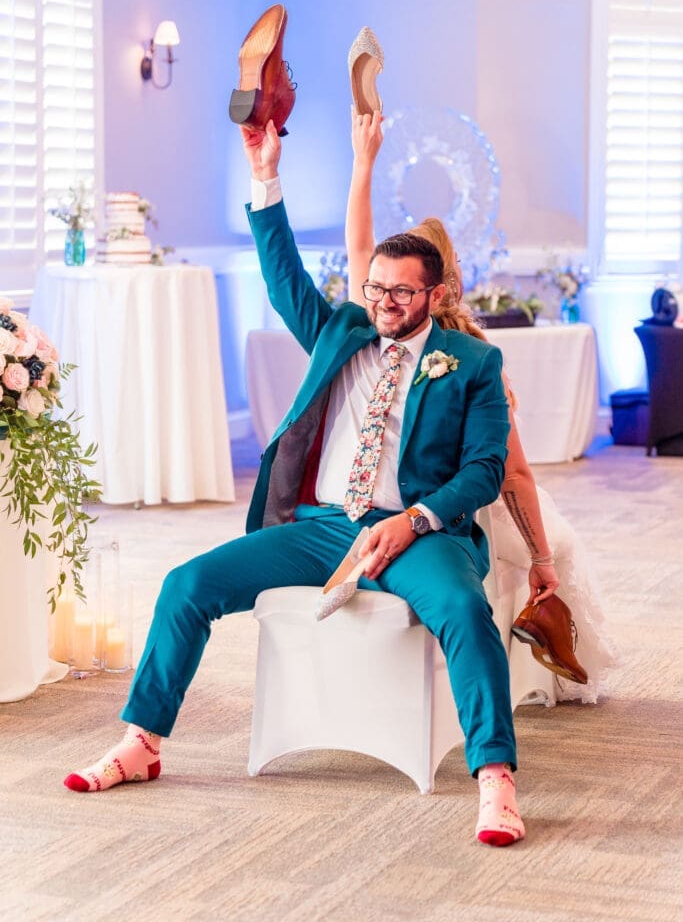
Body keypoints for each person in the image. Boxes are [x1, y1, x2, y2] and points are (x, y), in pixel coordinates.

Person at [64, 118, 525, 848]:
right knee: (186, 584)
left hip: (414, 533)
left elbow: (484, 469)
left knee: (465, 613)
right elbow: (282, 273)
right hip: (318, 527)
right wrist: (264, 172)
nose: (382, 304)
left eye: (401, 295)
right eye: (374, 288)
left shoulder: (471, 364)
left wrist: (415, 519)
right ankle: (142, 741)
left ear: (433, 297)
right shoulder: (340, 330)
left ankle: (494, 780)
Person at [346, 110, 617, 701]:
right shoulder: (473, 352)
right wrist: (542, 556)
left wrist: (363, 165)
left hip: (403, 502)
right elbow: (512, 472)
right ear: (453, 279)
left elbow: (357, 248)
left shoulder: (394, 333)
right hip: (465, 516)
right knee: (555, 539)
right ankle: (539, 634)